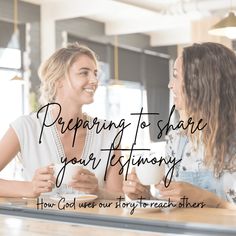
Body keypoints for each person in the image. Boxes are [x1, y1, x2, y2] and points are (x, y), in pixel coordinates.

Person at [0, 43, 123, 199]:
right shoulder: (26, 127)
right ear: (58, 80)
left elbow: (119, 197)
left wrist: (97, 191)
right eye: (84, 73)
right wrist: (30, 188)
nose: (94, 80)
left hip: (94, 224)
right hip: (40, 223)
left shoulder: (109, 133)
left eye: (95, 73)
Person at [123, 42, 236, 209]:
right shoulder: (177, 139)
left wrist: (214, 202)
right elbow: (173, 208)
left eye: (176, 75)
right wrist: (146, 197)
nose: (170, 85)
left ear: (203, 82)